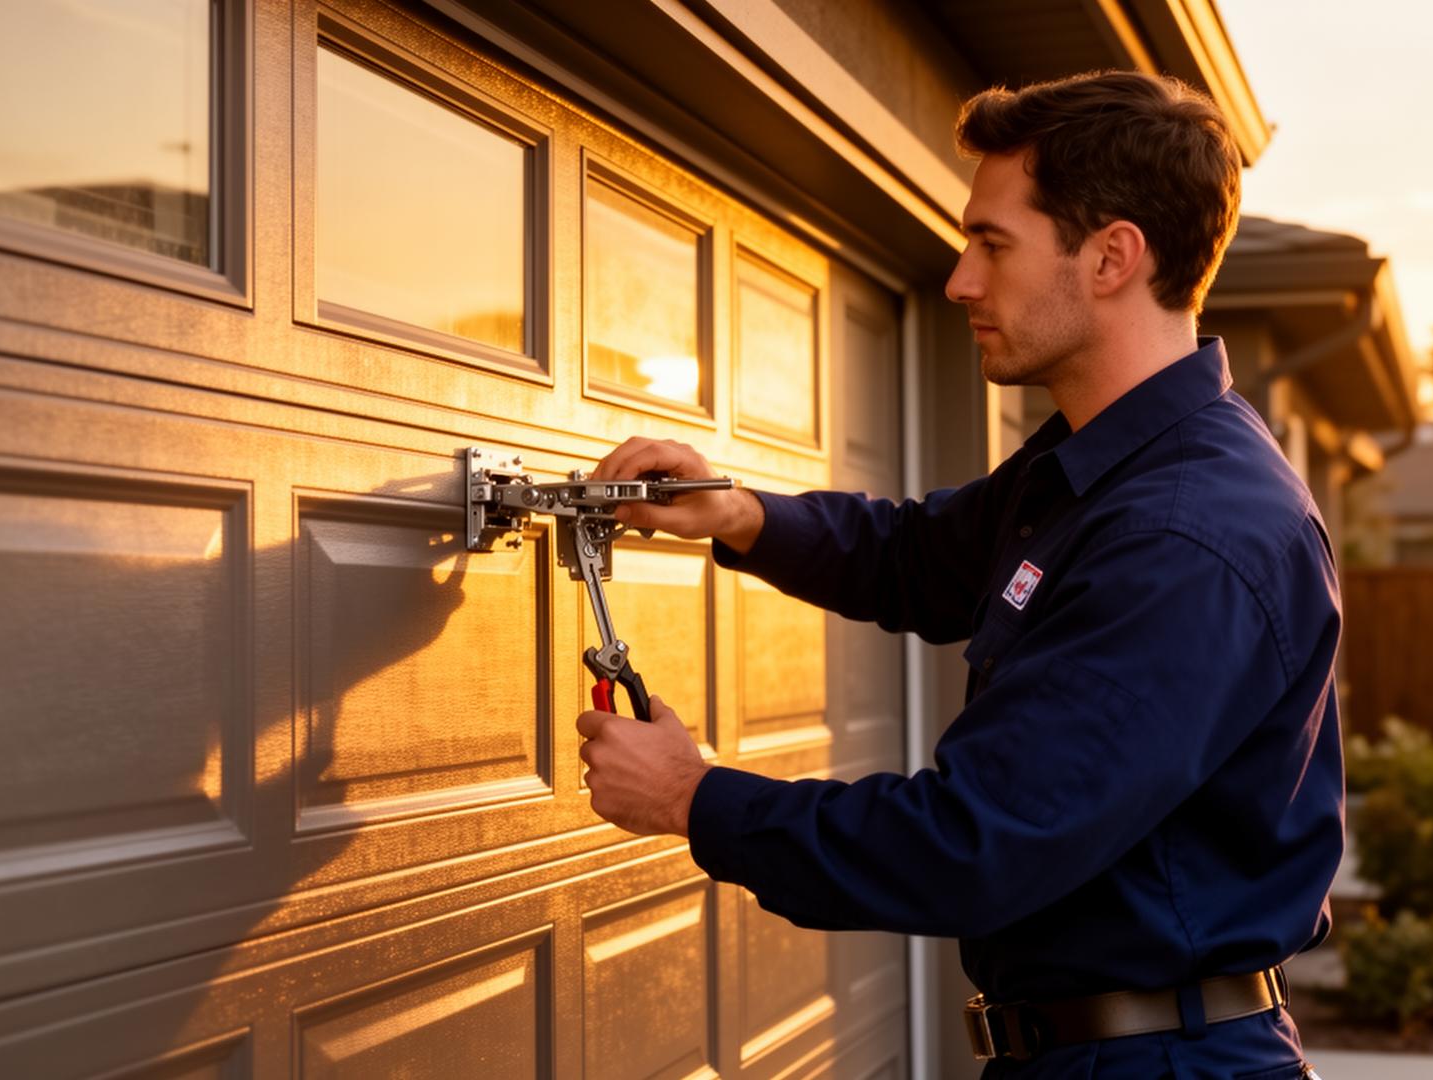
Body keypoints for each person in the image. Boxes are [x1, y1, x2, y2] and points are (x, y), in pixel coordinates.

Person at [574, 70, 1341, 1079]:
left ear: (1113, 256)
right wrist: (743, 513)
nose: (960, 280)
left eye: (993, 243)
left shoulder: (1185, 534)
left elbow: (977, 843)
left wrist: (694, 797)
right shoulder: (1100, 468)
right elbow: (922, 558)